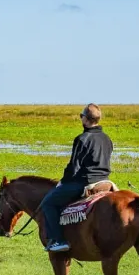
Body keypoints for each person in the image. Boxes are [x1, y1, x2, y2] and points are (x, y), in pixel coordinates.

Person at [40, 103, 113, 253]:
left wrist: (63, 182)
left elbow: (74, 167)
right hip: (105, 181)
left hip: (86, 182)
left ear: (86, 119)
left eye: (81, 116)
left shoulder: (82, 139)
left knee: (48, 203)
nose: (81, 119)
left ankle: (58, 241)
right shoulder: (107, 139)